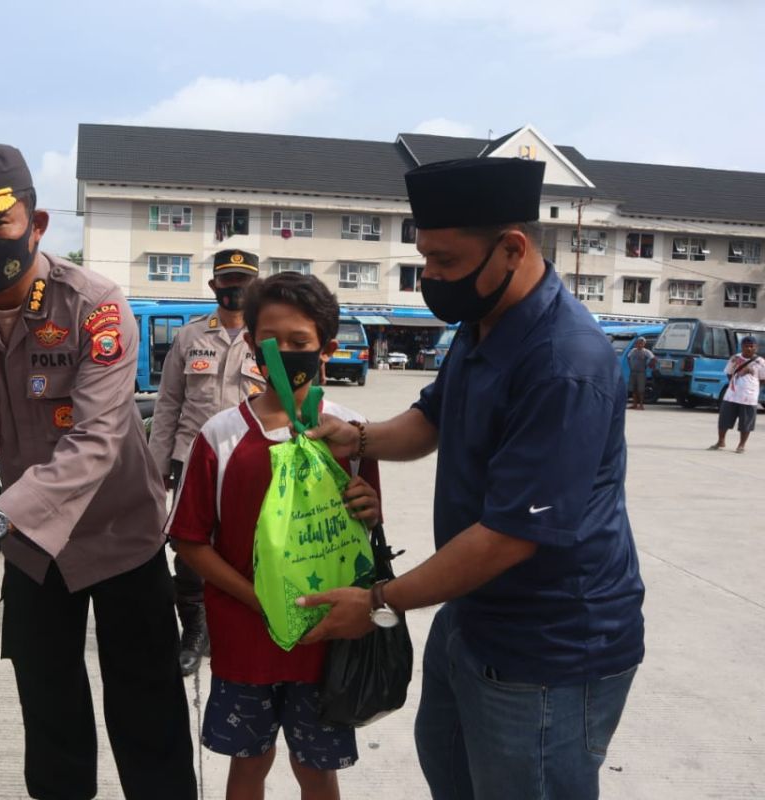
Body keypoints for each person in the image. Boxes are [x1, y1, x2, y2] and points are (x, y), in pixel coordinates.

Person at [298, 158, 645, 800]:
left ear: (512, 248)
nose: (430, 276)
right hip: (471, 616)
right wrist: (362, 435)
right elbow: (431, 417)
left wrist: (377, 603)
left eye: (446, 262)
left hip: (549, 646)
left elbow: (510, 536)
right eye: (424, 258)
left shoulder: (563, 361)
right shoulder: (483, 326)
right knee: (453, 779)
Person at [0, 143, 196, 800]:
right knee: (49, 718)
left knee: (148, 717)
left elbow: (96, 439)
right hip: (32, 549)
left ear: (36, 222)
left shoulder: (95, 306)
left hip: (120, 536)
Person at [167, 272, 382, 800]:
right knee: (249, 765)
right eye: (273, 342)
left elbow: (366, 536)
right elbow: (189, 540)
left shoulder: (354, 434)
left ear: (327, 348)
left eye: (301, 343)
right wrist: (259, 598)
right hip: (246, 637)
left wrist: (370, 510)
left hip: (323, 640)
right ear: (249, 345)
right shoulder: (220, 435)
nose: (286, 353)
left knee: (316, 770)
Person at [148, 247, 265, 676]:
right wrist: (158, 464)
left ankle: (236, 622)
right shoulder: (191, 336)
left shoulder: (268, 336)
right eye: (228, 281)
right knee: (189, 547)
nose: (235, 289)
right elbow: (168, 405)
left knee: (250, 545)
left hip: (250, 463)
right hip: (191, 459)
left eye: (244, 282)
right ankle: (195, 628)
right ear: (214, 284)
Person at [710, 334, 765, 453]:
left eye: (751, 346)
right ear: (742, 347)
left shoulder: (761, 362)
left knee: (746, 423)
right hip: (731, 396)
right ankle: (721, 441)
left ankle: (741, 445)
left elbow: (762, 379)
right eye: (746, 346)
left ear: (756, 347)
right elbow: (729, 373)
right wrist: (735, 385)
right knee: (724, 420)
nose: (749, 348)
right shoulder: (734, 358)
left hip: (749, 398)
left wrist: (752, 388)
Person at [627, 337, 656, 409]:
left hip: (641, 372)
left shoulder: (646, 351)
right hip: (633, 372)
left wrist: (649, 365)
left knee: (641, 390)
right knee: (633, 389)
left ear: (644, 344)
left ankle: (641, 405)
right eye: (638, 343)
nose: (639, 345)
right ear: (636, 344)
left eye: (641, 343)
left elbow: (653, 358)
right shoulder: (633, 351)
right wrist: (630, 365)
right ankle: (634, 404)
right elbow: (628, 357)